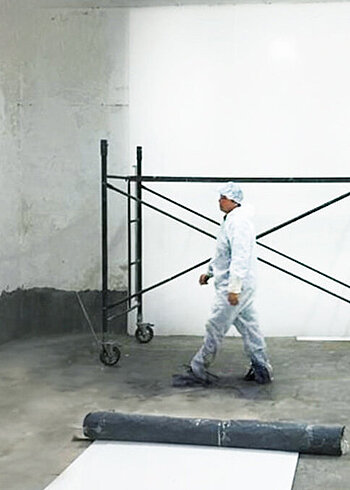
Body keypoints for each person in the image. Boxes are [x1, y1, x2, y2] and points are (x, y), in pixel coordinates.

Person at [187, 182, 273, 385]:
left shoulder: (238, 223)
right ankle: (262, 369)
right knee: (250, 328)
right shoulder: (231, 221)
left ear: (233, 200)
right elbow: (222, 253)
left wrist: (234, 288)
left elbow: (239, 257)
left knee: (215, 325)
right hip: (240, 286)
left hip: (234, 288)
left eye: (223, 197)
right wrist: (208, 273)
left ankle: (197, 369)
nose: (219, 201)